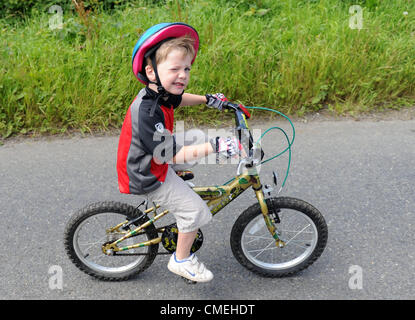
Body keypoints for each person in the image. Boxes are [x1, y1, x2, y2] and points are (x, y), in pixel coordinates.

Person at [116, 22, 241, 283]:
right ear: (151, 72)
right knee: (195, 210)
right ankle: (181, 260)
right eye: (174, 69)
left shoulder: (159, 94)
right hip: (147, 173)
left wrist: (208, 100)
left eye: (186, 69)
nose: (182, 75)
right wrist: (218, 146)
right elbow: (170, 154)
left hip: (152, 157)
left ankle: (178, 188)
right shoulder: (147, 111)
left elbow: (180, 98)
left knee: (195, 141)